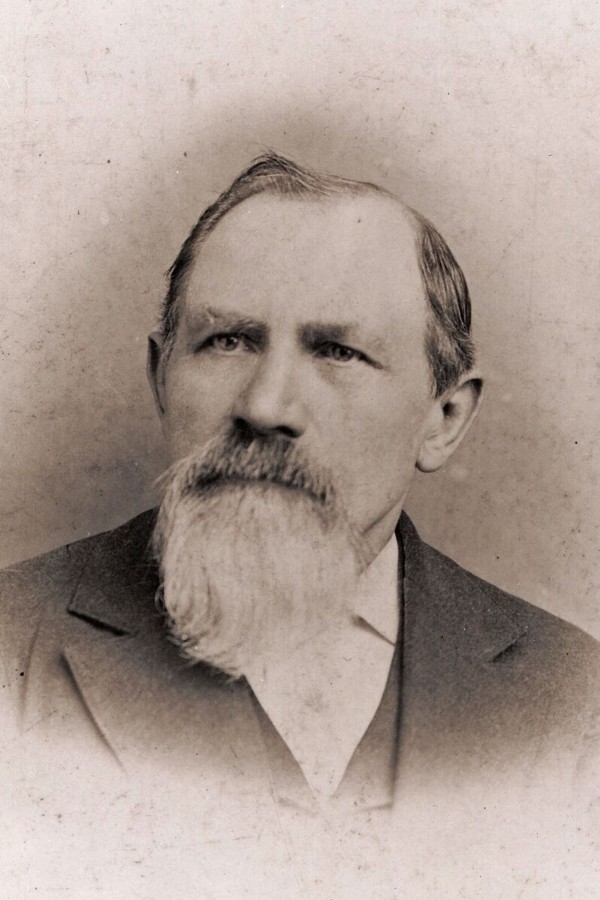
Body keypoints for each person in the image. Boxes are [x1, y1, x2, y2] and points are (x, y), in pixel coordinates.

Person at [1, 153, 598, 898]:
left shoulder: (575, 700)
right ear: (160, 377)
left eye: (338, 351)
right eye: (228, 340)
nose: (265, 405)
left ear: (443, 419)